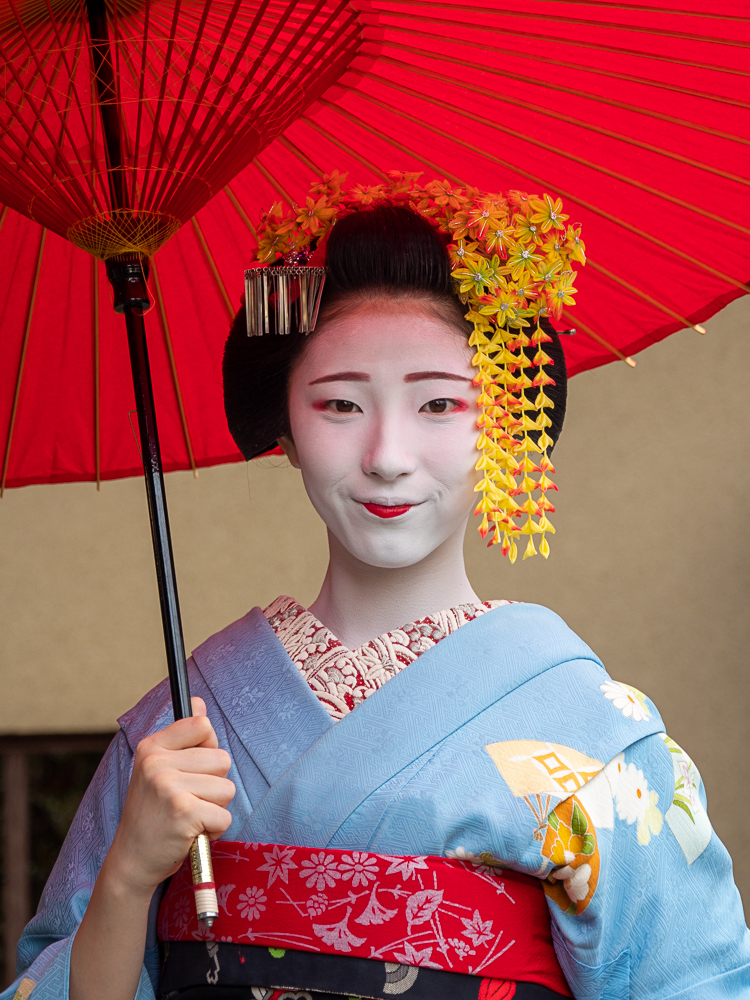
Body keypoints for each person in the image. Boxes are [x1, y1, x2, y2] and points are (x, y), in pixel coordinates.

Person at [4, 175, 749, 1000]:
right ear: (284, 427)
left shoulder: (593, 741)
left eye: (438, 403)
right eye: (340, 404)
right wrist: (126, 880)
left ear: (502, 421)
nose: (387, 454)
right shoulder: (180, 732)